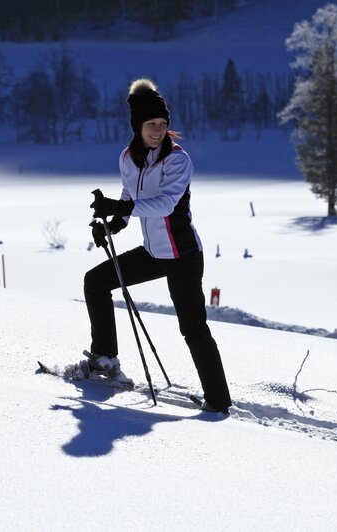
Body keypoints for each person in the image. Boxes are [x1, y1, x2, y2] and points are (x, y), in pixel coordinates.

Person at [83, 78, 232, 413]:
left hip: (183, 256)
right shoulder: (128, 158)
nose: (158, 130)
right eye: (151, 125)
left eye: (163, 125)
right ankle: (104, 359)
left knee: (192, 329)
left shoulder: (177, 161)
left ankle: (219, 402)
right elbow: (129, 197)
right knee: (96, 281)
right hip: (154, 253)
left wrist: (120, 209)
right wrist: (110, 226)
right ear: (138, 126)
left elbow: (164, 205)